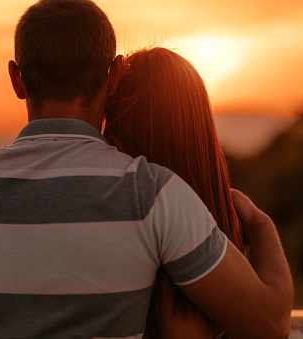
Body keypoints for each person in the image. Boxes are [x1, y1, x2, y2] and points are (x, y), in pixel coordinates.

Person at [0, 1, 293, 338]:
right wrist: (260, 224)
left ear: (17, 79)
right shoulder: (152, 194)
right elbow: (272, 324)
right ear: (116, 74)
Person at [102, 47, 245, 338]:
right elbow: (275, 324)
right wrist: (260, 222)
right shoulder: (227, 245)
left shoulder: (111, 229)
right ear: (199, 130)